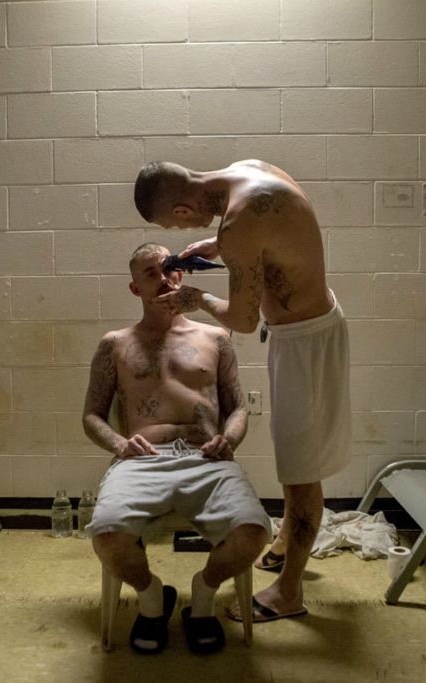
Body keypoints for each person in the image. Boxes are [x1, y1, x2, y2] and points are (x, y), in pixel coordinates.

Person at [133, 160, 351, 624]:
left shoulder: (238, 223)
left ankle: (289, 592)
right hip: (306, 327)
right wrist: (219, 247)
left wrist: (197, 299)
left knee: (300, 467)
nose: (183, 228)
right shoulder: (247, 172)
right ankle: (284, 541)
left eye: (177, 222)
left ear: (182, 205)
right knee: (293, 454)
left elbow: (243, 322)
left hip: (305, 341)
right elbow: (276, 233)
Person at [82, 242, 270, 655]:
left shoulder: (217, 337)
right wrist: (119, 442)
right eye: (150, 273)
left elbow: (237, 406)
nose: (163, 279)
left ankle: (202, 598)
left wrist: (230, 438)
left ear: (182, 275)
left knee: (255, 532)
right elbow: (92, 416)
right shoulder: (115, 343)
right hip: (143, 459)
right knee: (107, 537)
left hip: (207, 458)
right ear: (135, 288)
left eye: (169, 270)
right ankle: (153, 602)